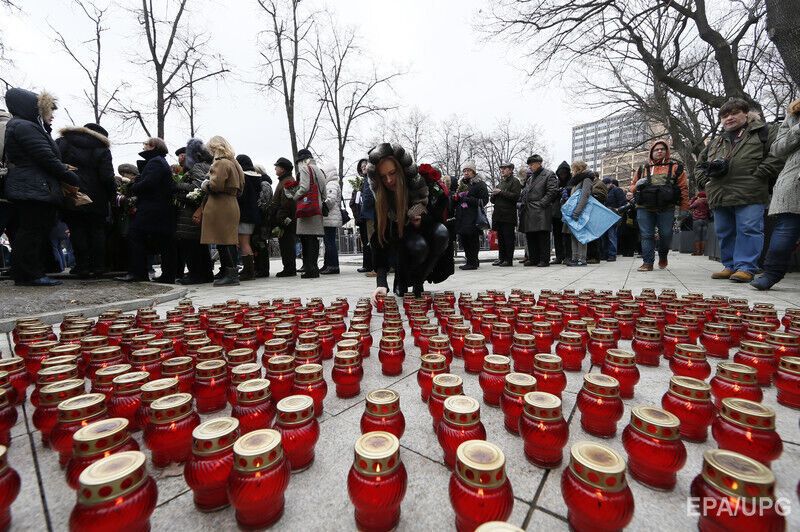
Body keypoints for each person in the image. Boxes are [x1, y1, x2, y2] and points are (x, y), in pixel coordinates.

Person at [696, 98, 785, 282]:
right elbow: (699, 165)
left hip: (750, 191)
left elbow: (778, 154)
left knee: (749, 228)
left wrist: (761, 173)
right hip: (719, 193)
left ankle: (746, 267)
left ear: (746, 113)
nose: (729, 118)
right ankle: (729, 265)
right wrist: (705, 182)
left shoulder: (763, 132)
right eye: (724, 115)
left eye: (734, 113)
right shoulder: (716, 141)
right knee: (725, 231)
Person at [3, 87, 80, 286]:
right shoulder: (25, 126)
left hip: (31, 185)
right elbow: (45, 157)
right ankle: (31, 274)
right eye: (48, 110)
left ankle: (26, 273)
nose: (51, 114)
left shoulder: (22, 125)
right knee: (32, 233)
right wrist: (69, 176)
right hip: (34, 186)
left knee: (29, 232)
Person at [367, 143, 450, 300]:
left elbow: (437, 214)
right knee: (418, 246)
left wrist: (420, 221)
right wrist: (381, 283)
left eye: (392, 173)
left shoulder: (419, 184)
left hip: (425, 231)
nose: (389, 180)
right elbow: (379, 241)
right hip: (402, 241)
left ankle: (419, 281)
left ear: (401, 170)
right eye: (383, 177)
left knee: (441, 233)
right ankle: (402, 279)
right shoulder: (382, 199)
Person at [751, 99, 800, 290]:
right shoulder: (794, 116)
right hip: (795, 183)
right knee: (786, 230)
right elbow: (777, 149)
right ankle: (771, 273)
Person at [56, 123, 115, 278]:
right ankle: (98, 266)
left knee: (76, 230)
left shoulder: (64, 142)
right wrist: (112, 197)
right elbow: (107, 176)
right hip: (97, 197)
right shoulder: (102, 149)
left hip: (72, 193)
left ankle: (81, 266)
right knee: (97, 231)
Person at [115, 137, 176, 283]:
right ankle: (167, 275)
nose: (143, 148)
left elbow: (149, 183)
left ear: (153, 146)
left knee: (135, 236)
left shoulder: (155, 162)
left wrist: (133, 186)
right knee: (164, 242)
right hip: (160, 208)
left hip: (151, 208)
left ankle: (137, 272)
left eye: (145, 145)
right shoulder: (161, 161)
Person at [630, 141, 689, 272]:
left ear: (667, 151)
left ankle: (663, 255)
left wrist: (684, 208)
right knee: (646, 235)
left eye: (662, 149)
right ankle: (647, 262)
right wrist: (637, 185)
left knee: (666, 234)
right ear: (651, 152)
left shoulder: (676, 167)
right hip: (644, 206)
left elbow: (683, 189)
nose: (659, 151)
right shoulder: (643, 168)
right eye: (656, 149)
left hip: (666, 207)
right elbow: (632, 187)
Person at [200, 136, 244, 287]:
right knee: (228, 239)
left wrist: (205, 184)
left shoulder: (221, 163)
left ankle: (230, 274)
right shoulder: (234, 162)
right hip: (231, 202)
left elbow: (216, 185)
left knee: (224, 240)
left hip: (221, 203)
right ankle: (228, 271)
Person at [174, 139, 214, 285]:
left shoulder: (196, 167)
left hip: (190, 212)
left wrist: (177, 186)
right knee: (199, 245)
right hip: (197, 210)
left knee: (191, 245)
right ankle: (205, 273)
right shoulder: (207, 166)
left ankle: (196, 274)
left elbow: (197, 187)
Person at [285, 148, 326, 279]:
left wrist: (294, 197)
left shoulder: (304, 169)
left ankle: (310, 269)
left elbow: (304, 188)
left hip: (307, 207)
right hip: (316, 206)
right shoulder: (319, 170)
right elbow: (324, 192)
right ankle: (314, 268)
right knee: (313, 238)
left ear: (301, 160)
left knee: (306, 239)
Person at [518, 154, 558, 267]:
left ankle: (544, 259)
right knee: (531, 236)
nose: (530, 167)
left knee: (542, 235)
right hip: (529, 209)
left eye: (532, 164)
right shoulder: (530, 178)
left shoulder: (549, 174)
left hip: (541, 210)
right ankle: (533, 258)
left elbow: (552, 191)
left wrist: (542, 203)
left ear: (539, 163)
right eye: (529, 165)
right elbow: (525, 192)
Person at [454, 160, 489, 270]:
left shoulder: (480, 184)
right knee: (464, 240)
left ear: (473, 172)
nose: (466, 172)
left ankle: (472, 262)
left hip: (473, 217)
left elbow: (484, 201)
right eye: (464, 170)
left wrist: (468, 199)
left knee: (472, 240)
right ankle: (471, 260)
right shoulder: (462, 184)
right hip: (462, 217)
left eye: (468, 170)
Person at [235, 154, 263, 281]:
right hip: (253, 215)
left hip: (244, 215)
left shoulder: (244, 178)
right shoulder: (256, 178)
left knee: (244, 243)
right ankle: (249, 270)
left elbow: (242, 197)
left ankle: (248, 271)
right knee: (246, 242)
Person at [268, 157, 297, 277]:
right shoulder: (284, 180)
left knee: (287, 245)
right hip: (285, 219)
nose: (275, 168)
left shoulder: (287, 182)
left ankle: (289, 269)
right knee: (285, 244)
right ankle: (289, 267)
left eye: (277, 166)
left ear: (283, 169)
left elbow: (287, 203)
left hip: (286, 220)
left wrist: (281, 218)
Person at [489, 161, 521, 267]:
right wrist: (493, 195)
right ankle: (501, 258)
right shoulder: (500, 183)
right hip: (499, 215)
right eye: (501, 168)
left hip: (508, 215)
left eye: (504, 168)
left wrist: (500, 192)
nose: (502, 170)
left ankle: (508, 259)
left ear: (511, 170)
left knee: (508, 238)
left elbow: (515, 196)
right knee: (501, 239)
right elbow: (493, 200)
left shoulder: (515, 181)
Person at [563, 161, 594, 267]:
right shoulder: (577, 181)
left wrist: (577, 212)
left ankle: (582, 259)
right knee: (574, 235)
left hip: (581, 212)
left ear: (578, 169)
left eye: (573, 169)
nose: (572, 172)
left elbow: (585, 196)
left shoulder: (586, 179)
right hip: (574, 212)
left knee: (581, 236)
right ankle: (575, 258)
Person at [351, 158, 376, 276]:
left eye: (365, 165)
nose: (363, 168)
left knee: (373, 240)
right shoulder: (365, 180)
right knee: (369, 241)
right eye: (361, 167)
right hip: (366, 214)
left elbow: (369, 197)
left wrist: (364, 208)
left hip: (370, 213)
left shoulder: (370, 179)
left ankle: (376, 268)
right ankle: (373, 266)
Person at [253, 163, 273, 278]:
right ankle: (259, 267)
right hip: (261, 218)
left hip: (263, 219)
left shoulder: (264, 184)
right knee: (258, 244)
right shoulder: (261, 183)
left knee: (261, 244)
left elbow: (264, 203)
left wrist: (255, 207)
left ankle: (263, 269)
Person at [321, 166, 342, 274]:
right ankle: (327, 264)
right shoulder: (331, 183)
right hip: (330, 217)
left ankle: (333, 265)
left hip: (330, 217)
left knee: (330, 242)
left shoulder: (331, 184)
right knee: (328, 242)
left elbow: (330, 200)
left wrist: (321, 205)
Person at [602, 178, 627, 262]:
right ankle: (606, 254)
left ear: (610, 184)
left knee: (611, 235)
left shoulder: (617, 190)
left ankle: (612, 254)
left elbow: (623, 203)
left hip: (613, 215)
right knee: (605, 236)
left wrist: (617, 210)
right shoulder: (606, 191)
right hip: (606, 216)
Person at [551, 161, 571, 264]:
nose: (562, 176)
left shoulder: (571, 181)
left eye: (564, 174)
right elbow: (552, 195)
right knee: (557, 236)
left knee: (567, 236)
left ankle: (568, 256)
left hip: (566, 212)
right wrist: (557, 192)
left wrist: (566, 190)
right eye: (560, 174)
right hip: (556, 213)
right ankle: (559, 256)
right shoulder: (557, 182)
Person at [689, 187, 710, 256]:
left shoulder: (697, 201)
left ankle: (698, 251)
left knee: (697, 236)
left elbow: (690, 206)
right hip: (705, 220)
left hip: (697, 220)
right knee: (704, 236)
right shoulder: (708, 201)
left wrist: (693, 199)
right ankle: (703, 251)